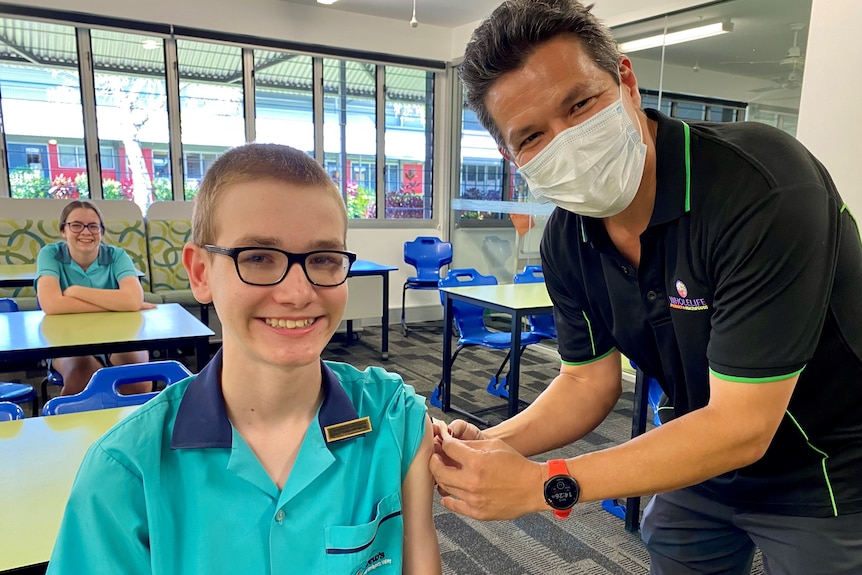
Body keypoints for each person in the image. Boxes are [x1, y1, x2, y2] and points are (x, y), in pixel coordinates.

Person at [429, 1, 862, 574]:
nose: (569, 141)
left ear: (626, 80)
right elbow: (586, 381)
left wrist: (543, 486)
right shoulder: (568, 239)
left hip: (829, 467)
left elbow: (743, 427)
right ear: (511, 156)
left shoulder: (758, 187)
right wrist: (493, 444)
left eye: (580, 104)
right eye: (532, 136)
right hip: (695, 450)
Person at [46, 144, 442, 575]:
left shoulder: (394, 420)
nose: (297, 293)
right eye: (257, 257)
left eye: (324, 259)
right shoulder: (125, 472)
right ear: (200, 273)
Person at [36, 199, 153, 396]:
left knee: (138, 379)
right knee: (82, 378)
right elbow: (51, 304)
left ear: (102, 231)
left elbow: (132, 300)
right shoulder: (50, 254)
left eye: (93, 226)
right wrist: (118, 304)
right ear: (63, 231)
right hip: (67, 340)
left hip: (119, 337)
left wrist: (75, 291)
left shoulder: (117, 255)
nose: (85, 232)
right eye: (76, 225)